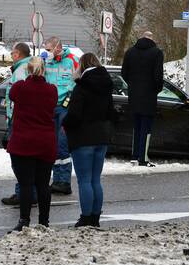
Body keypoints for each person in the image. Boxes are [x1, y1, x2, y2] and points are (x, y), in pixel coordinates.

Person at [63, 53, 114, 228]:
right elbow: (111, 112)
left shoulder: (82, 87)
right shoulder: (107, 84)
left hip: (83, 138)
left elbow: (75, 115)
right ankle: (95, 218)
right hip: (102, 137)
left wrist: (65, 123)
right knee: (95, 180)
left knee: (84, 180)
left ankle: (85, 218)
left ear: (82, 66)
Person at [6, 56, 57, 231]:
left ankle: (24, 220)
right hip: (45, 142)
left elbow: (11, 94)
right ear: (44, 70)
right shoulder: (52, 90)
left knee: (26, 184)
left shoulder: (19, 88)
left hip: (23, 142)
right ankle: (44, 221)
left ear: (28, 70)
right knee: (43, 184)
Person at [121, 31, 164, 166]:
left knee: (136, 126)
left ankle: (134, 155)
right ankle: (143, 158)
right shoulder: (157, 53)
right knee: (146, 128)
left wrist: (133, 86)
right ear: (152, 39)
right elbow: (158, 76)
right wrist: (155, 90)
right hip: (148, 97)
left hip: (133, 96)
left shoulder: (130, 52)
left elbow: (124, 73)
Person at [43, 36, 79, 194]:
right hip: (50, 108)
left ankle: (64, 181)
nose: (47, 53)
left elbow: (79, 83)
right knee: (53, 146)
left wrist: (70, 101)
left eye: (49, 50)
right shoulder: (48, 62)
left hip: (65, 108)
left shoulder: (72, 60)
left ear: (58, 47)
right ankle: (56, 180)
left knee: (63, 145)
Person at [0, 42, 32, 206]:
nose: (11, 55)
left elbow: (17, 95)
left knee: (18, 157)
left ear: (18, 54)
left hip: (18, 117)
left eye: (12, 53)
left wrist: (11, 115)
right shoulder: (27, 67)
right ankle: (27, 192)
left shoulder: (21, 70)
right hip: (22, 117)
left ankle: (23, 193)